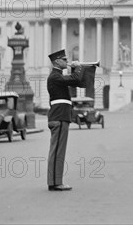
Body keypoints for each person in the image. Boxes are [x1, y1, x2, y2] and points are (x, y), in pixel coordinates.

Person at [47, 49, 83, 191]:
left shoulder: (57, 76)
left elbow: (74, 80)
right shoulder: (55, 76)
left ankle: (54, 181)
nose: (67, 62)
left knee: (57, 151)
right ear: (57, 61)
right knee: (57, 151)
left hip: (60, 116)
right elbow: (75, 79)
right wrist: (78, 68)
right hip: (59, 116)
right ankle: (56, 182)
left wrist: (75, 69)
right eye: (64, 60)